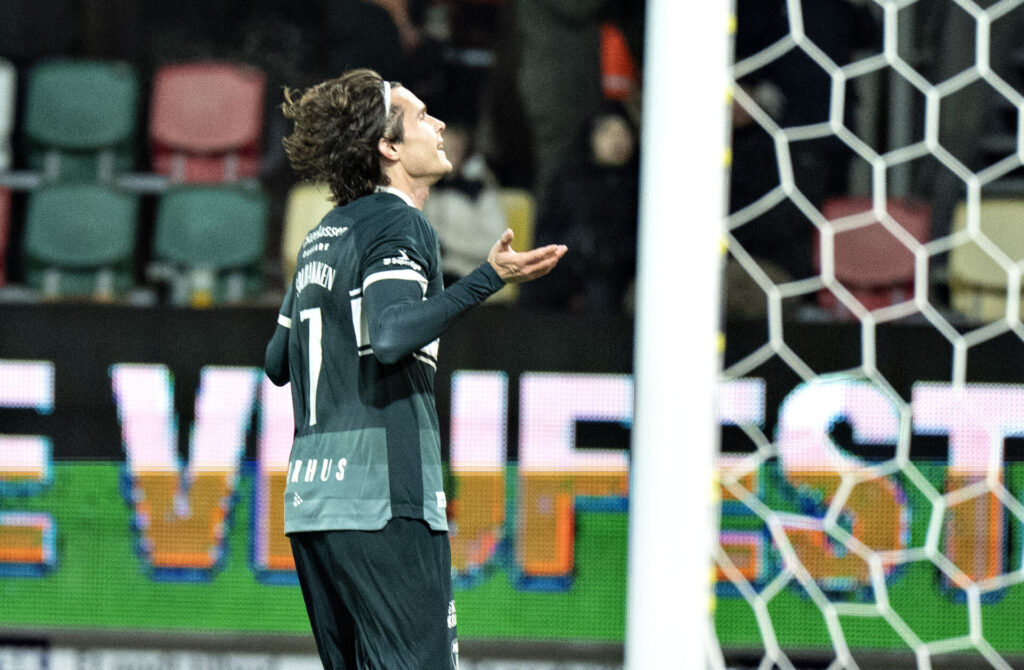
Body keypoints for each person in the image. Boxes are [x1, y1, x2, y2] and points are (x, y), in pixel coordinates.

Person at [263, 68, 566, 670]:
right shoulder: (400, 222)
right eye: (423, 116)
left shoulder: (324, 233)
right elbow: (393, 335)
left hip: (313, 501)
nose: (440, 124)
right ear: (389, 147)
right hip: (382, 497)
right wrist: (486, 278)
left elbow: (276, 362)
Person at [520, 101, 639, 314]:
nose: (617, 140)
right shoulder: (570, 181)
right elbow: (547, 233)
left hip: (616, 274)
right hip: (569, 269)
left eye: (622, 132)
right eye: (607, 132)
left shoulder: (640, 186)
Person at [421, 122, 509, 288]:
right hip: (433, 273)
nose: (446, 156)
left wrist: (448, 244)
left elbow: (497, 243)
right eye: (441, 149)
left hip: (467, 273)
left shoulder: (480, 192)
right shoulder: (428, 190)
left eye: (453, 150)